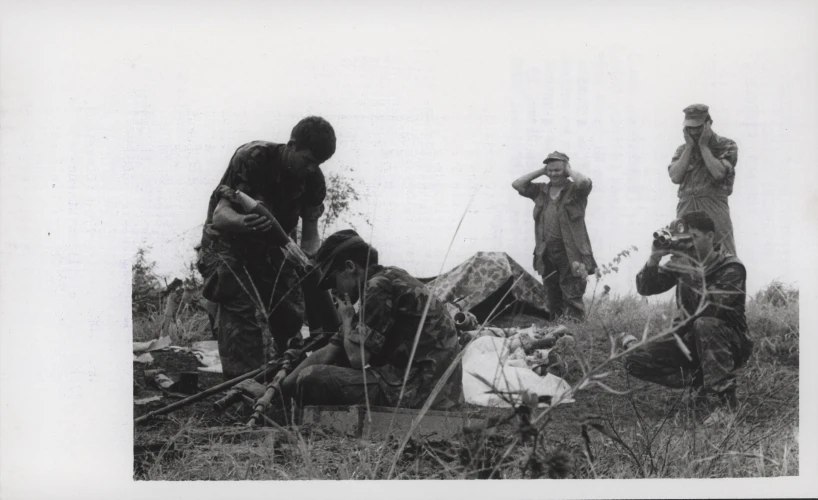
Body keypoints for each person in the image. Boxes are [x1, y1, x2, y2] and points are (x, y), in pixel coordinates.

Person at [196, 116, 336, 380]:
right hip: (227, 241)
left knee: (290, 310)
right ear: (291, 145)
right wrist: (244, 222)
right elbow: (221, 216)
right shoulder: (253, 158)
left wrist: (310, 269)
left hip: (275, 245)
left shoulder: (313, 181)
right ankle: (245, 387)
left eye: (317, 164)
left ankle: (287, 380)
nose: (311, 169)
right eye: (307, 160)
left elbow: (309, 241)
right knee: (241, 307)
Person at [278, 230, 463, 410]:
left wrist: (347, 319)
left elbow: (357, 358)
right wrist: (280, 387)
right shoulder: (384, 281)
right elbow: (327, 352)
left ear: (350, 267)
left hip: (421, 391)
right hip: (430, 389)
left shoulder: (379, 286)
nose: (333, 291)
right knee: (319, 371)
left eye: (333, 281)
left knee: (311, 378)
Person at [622, 211, 753, 422]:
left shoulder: (731, 267)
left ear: (710, 237)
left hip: (729, 343)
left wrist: (689, 271)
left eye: (694, 237)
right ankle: (699, 382)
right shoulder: (683, 262)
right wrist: (655, 257)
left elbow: (713, 309)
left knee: (705, 324)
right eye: (685, 239)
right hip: (688, 339)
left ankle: (727, 404)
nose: (689, 244)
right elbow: (645, 288)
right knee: (634, 360)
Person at [512, 151, 597, 321]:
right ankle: (557, 333)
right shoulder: (540, 190)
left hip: (572, 254)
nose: (553, 174)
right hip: (546, 254)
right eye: (550, 170)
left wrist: (569, 170)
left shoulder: (575, 190)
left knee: (572, 298)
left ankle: (576, 334)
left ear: (565, 169)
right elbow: (517, 184)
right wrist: (541, 171)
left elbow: (584, 182)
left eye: (557, 170)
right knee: (552, 297)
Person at [668, 104, 739, 256]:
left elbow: (718, 173)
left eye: (698, 127)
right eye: (690, 127)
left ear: (708, 123)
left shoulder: (726, 145)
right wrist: (689, 148)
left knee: (723, 253)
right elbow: (675, 177)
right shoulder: (682, 150)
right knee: (683, 255)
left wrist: (703, 147)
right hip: (686, 206)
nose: (693, 131)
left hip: (713, 206)